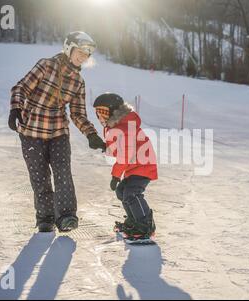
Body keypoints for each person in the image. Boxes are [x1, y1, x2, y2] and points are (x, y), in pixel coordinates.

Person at [8, 31, 106, 233]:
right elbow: (21, 87)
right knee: (40, 177)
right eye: (80, 52)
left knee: (63, 174)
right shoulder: (46, 66)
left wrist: (91, 134)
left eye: (86, 55)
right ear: (69, 48)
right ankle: (45, 217)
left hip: (58, 133)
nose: (82, 57)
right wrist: (16, 108)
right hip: (31, 131)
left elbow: (78, 114)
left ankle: (67, 216)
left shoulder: (78, 82)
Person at [93, 93, 158, 240]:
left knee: (132, 194)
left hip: (143, 166)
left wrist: (115, 175)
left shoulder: (125, 127)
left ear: (109, 112)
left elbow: (124, 156)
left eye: (101, 113)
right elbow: (120, 150)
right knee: (122, 191)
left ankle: (145, 225)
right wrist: (104, 146)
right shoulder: (119, 125)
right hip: (134, 167)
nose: (99, 118)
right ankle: (134, 220)